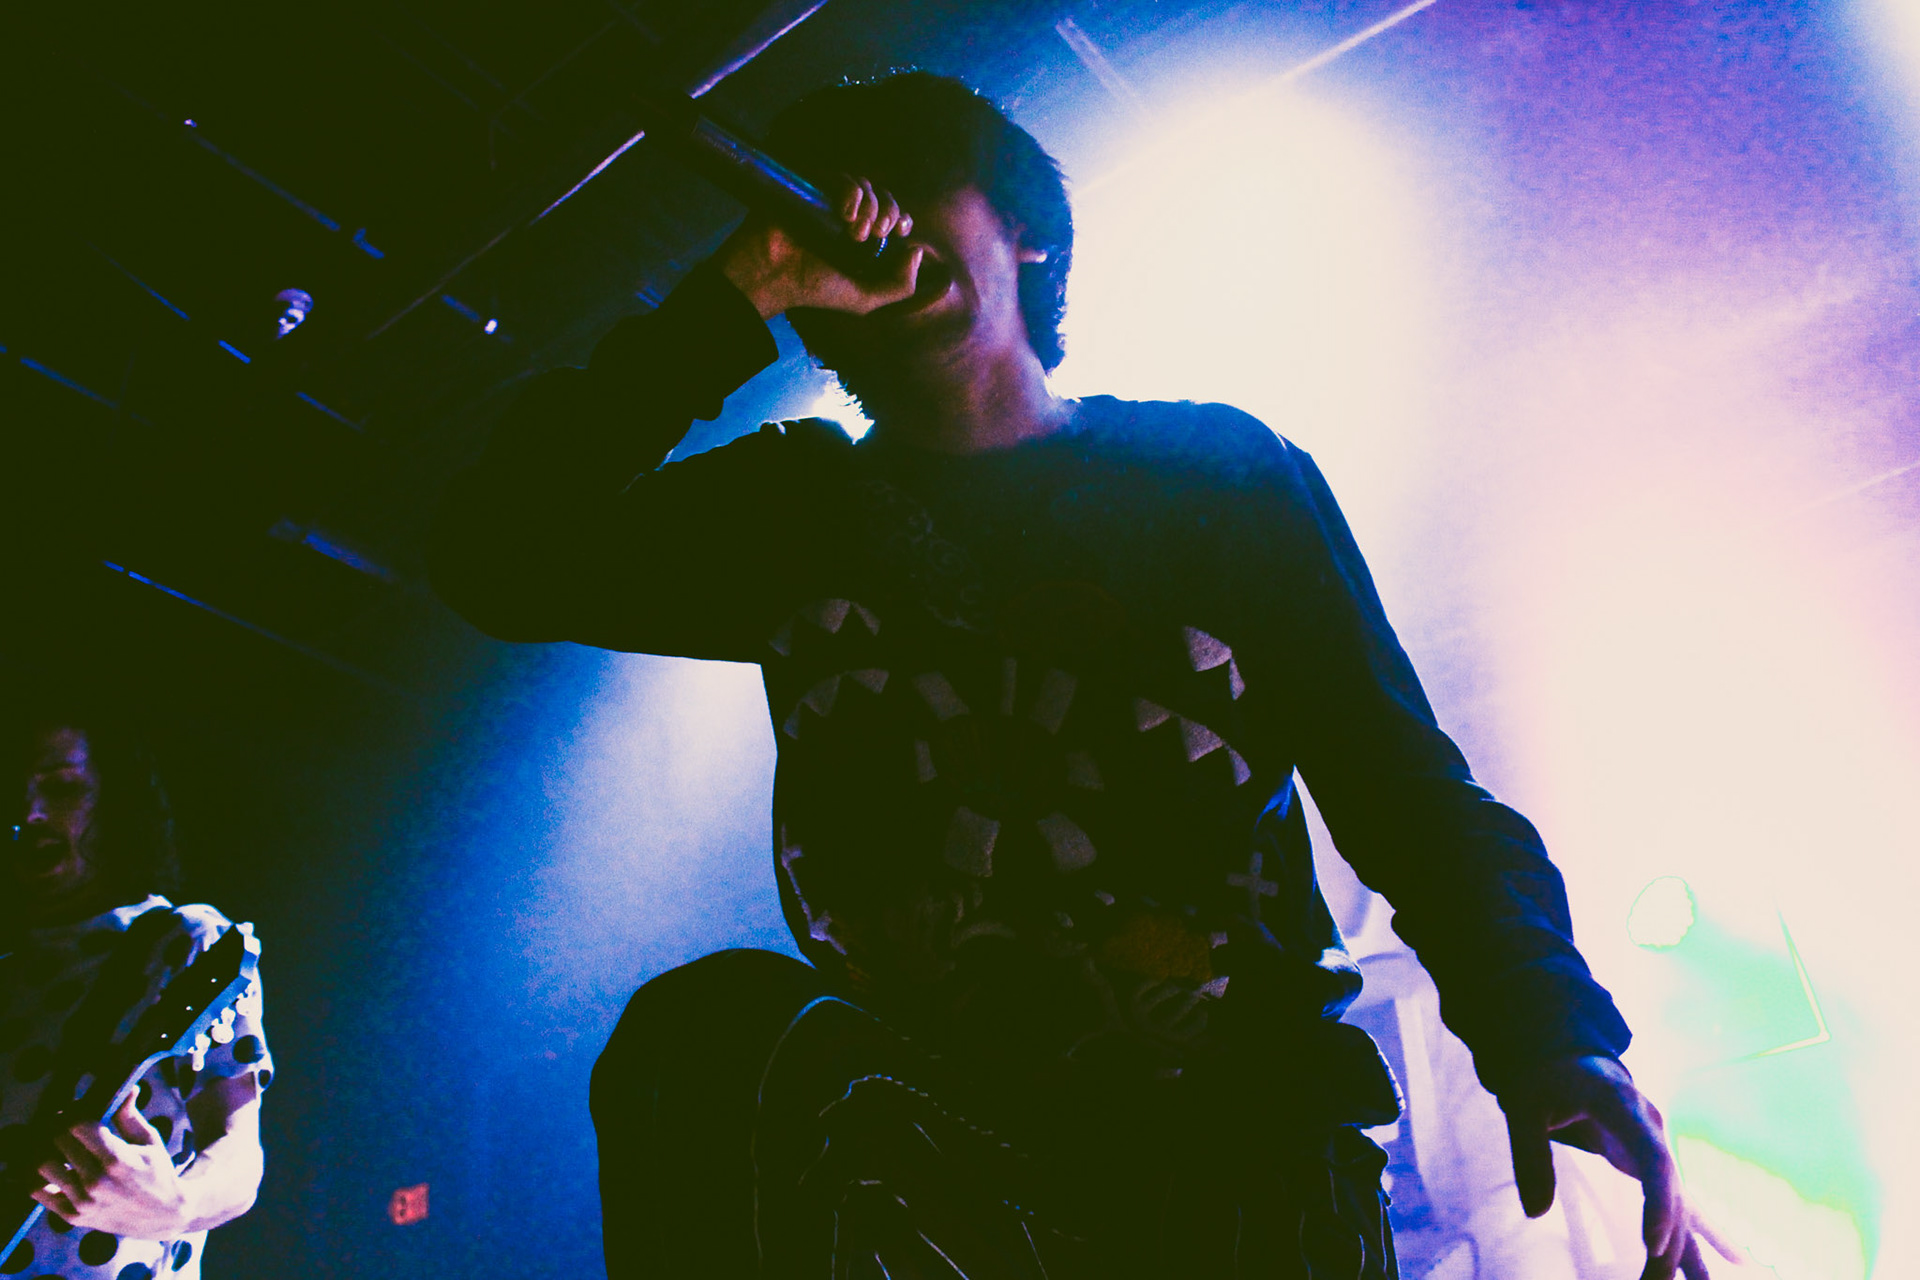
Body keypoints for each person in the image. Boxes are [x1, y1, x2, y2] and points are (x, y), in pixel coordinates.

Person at [432, 72, 1726, 1278]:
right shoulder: (793, 517)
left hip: (1239, 1137)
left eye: (914, 181)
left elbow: (1402, 785)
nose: (874, 217)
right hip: (955, 1141)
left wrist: (1551, 1032)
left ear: (1026, 237)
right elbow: (496, 558)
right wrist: (734, 296)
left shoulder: (1215, 481)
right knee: (702, 1035)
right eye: (841, 198)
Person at [2, 700, 272, 1280]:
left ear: (116, 803)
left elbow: (239, 1156)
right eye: (13, 794)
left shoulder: (184, 941)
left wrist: (175, 1206)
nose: (30, 814)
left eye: (64, 788)